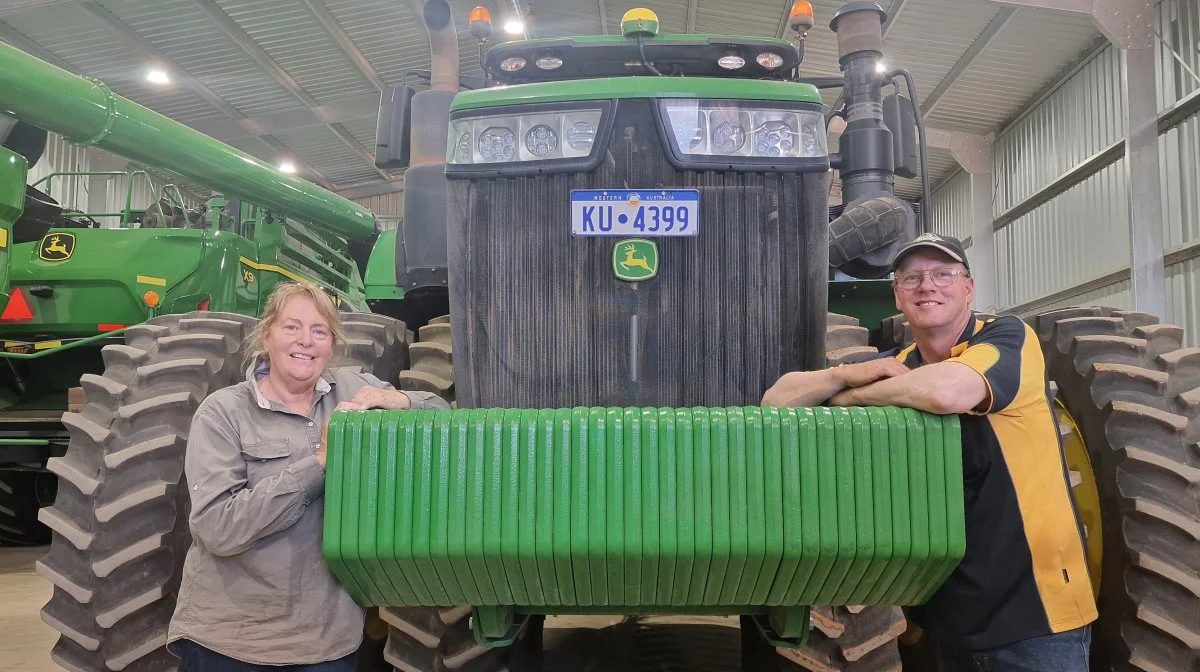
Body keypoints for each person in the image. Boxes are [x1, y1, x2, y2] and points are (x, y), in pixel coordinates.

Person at [762, 233, 1097, 671]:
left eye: (943, 274)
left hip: (1034, 619)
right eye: (912, 277)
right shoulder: (900, 364)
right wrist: (847, 373)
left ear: (968, 288)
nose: (927, 286)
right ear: (897, 295)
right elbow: (776, 400)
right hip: (946, 623)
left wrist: (854, 397)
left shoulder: (1009, 339)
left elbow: (948, 391)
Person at [167, 282, 449, 671]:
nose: (306, 341)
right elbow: (218, 528)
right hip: (230, 643)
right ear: (266, 335)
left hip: (326, 645)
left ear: (333, 345)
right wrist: (321, 460)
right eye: (292, 327)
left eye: (320, 331)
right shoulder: (224, 413)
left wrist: (396, 400)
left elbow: (443, 417)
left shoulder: (352, 389)